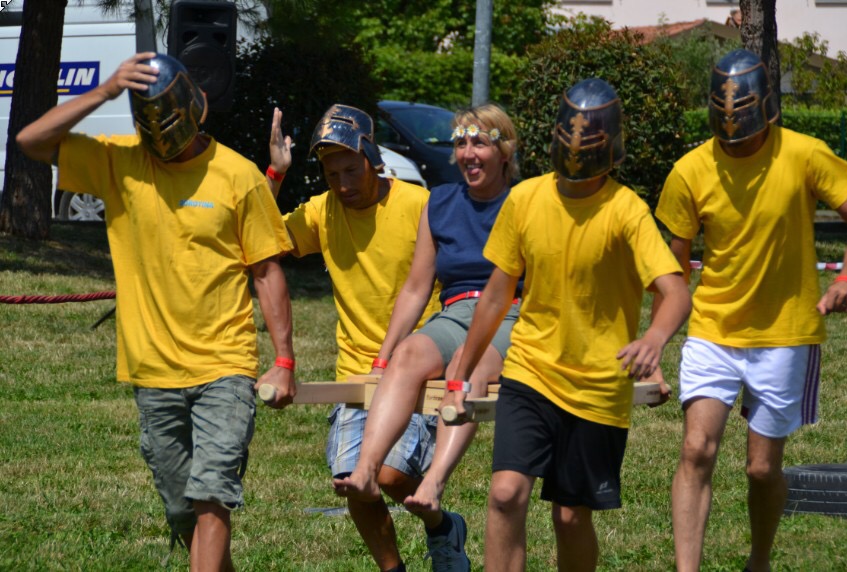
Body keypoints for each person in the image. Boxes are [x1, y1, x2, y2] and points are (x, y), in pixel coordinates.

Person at [16, 52, 296, 571]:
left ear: (198, 108)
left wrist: (283, 361)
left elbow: (266, 271)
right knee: (183, 510)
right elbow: (31, 141)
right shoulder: (119, 161)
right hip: (153, 370)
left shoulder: (239, 176)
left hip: (225, 365)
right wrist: (104, 91)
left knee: (212, 494)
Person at [446, 78, 691, 571]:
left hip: (598, 384)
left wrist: (654, 339)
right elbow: (496, 294)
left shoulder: (627, 210)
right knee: (504, 494)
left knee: (570, 517)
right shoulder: (526, 199)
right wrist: (461, 371)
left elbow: (676, 292)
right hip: (530, 371)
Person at [657, 49, 847, 572]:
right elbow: (673, 273)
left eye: (745, 134)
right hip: (713, 328)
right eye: (727, 136)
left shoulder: (805, 154)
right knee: (696, 450)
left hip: (785, 333)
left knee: (761, 469)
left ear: (767, 111)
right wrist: (657, 343)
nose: (736, 144)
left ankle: (760, 561)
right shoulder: (689, 171)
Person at [332, 103, 524, 570]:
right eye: (461, 143)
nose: (468, 153)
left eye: (480, 143)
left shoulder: (527, 203)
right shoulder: (439, 202)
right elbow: (418, 288)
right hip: (456, 310)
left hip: (512, 314)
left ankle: (434, 482)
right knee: (409, 353)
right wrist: (384, 358)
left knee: (467, 367)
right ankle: (366, 471)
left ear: (504, 151)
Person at [266, 104, 445, 572]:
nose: (342, 183)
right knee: (353, 481)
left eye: (351, 170)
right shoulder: (322, 211)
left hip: (418, 368)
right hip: (355, 373)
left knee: (388, 476)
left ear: (372, 159)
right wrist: (275, 174)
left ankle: (442, 526)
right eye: (332, 174)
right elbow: (259, 241)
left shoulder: (419, 206)